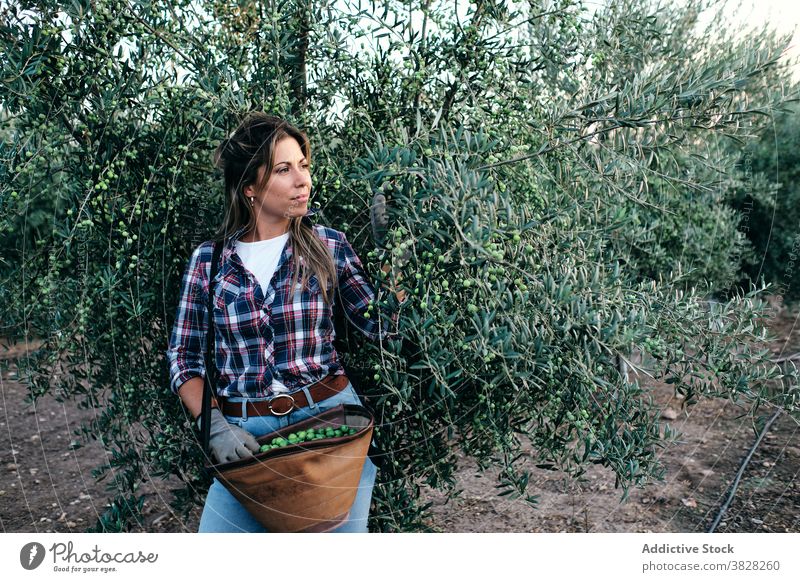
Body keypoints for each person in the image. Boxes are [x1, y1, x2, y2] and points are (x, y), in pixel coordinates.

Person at [166, 112, 405, 533]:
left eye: (304, 166)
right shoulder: (210, 261)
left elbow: (382, 329)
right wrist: (214, 426)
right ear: (251, 189)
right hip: (246, 442)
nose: (302, 180)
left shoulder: (328, 245)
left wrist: (393, 264)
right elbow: (184, 357)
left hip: (330, 424)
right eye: (283, 169)